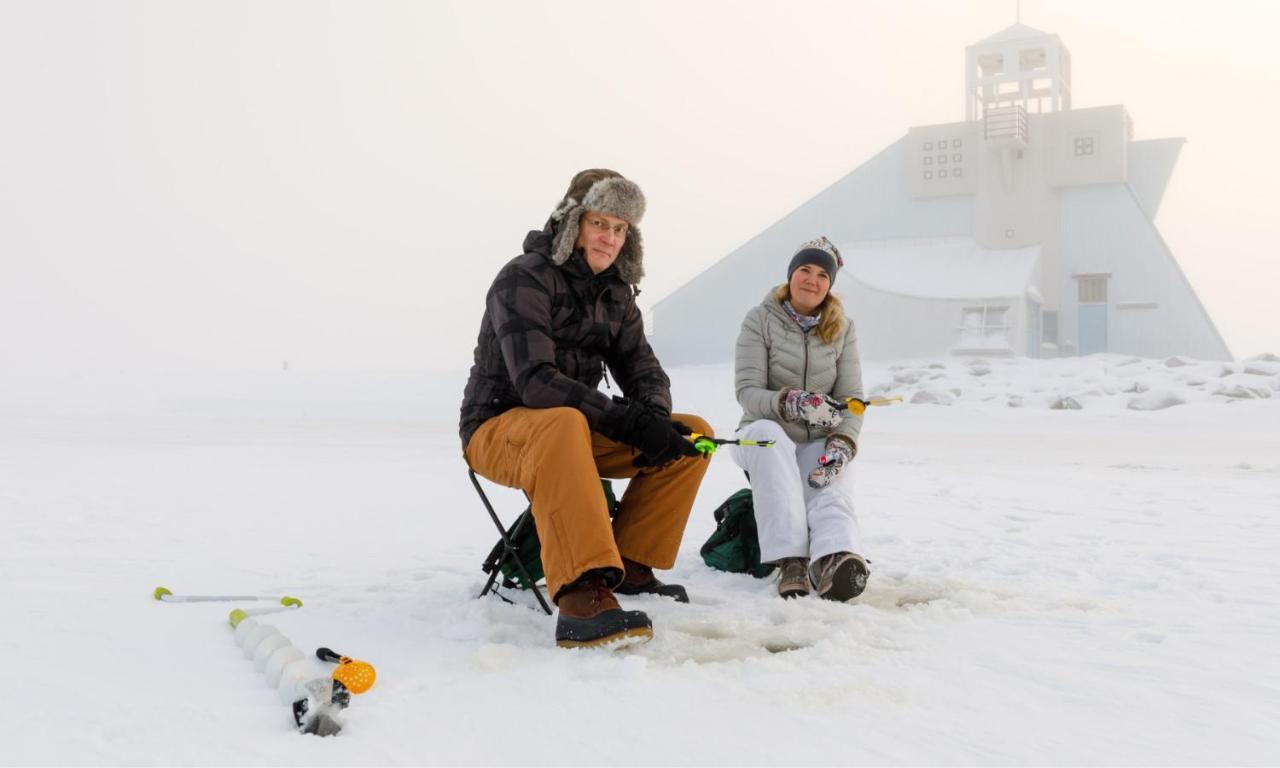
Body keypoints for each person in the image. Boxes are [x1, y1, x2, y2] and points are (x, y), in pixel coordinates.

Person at [460, 168, 712, 648]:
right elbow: (535, 383)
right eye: (601, 223)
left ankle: (632, 564)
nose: (610, 238)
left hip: (570, 430)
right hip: (497, 430)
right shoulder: (522, 278)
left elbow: (644, 371)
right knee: (562, 423)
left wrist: (653, 416)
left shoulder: (617, 294)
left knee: (689, 436)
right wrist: (624, 419)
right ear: (573, 222)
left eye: (620, 229)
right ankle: (582, 594)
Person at [730, 236, 870, 601]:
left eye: (823, 274)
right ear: (790, 275)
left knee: (830, 480)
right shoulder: (760, 319)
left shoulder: (843, 328)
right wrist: (791, 402)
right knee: (768, 437)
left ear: (830, 284)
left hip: (814, 438)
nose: (812, 279)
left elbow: (852, 400)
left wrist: (843, 442)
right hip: (762, 435)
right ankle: (790, 559)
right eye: (805, 270)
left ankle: (835, 559)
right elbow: (747, 391)